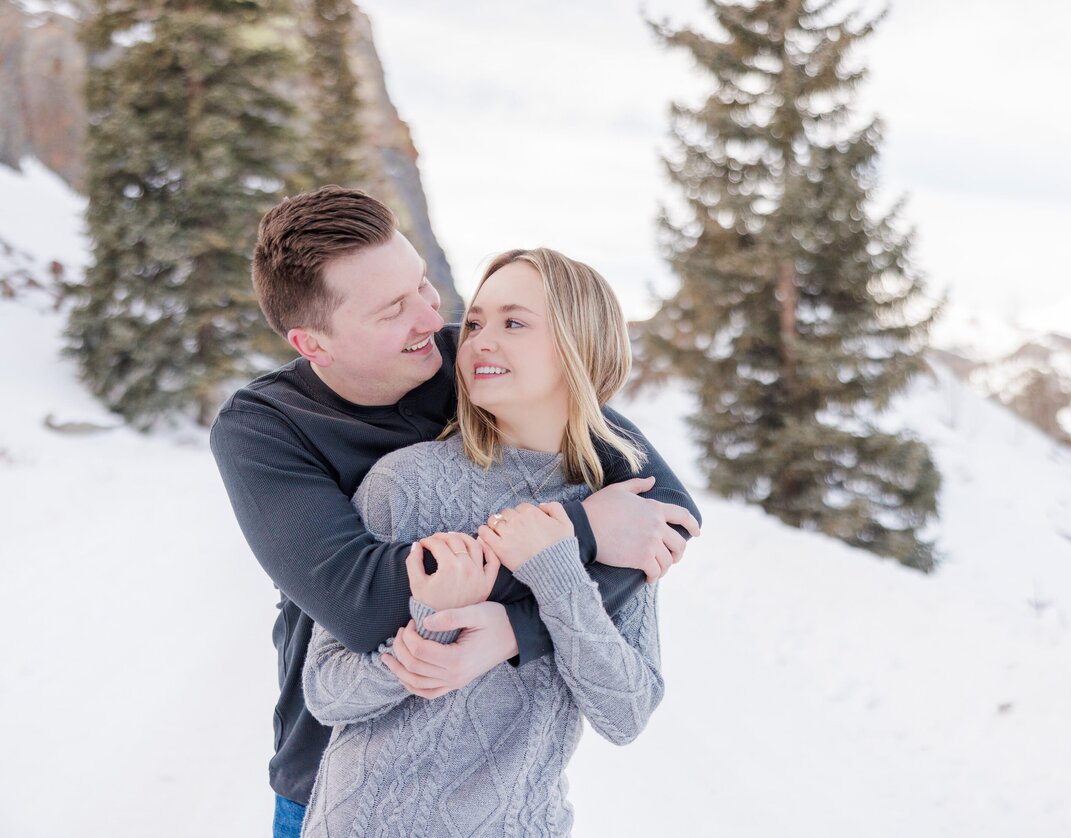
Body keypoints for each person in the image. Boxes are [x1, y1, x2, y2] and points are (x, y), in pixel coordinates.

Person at [208, 187, 701, 836]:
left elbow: (660, 512)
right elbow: (364, 604)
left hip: (501, 797)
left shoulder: (475, 366)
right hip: (333, 778)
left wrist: (519, 631)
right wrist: (579, 532)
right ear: (313, 344)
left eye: (422, 285)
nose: (430, 318)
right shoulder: (266, 429)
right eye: (393, 310)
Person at [301, 247, 669, 837]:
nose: (477, 342)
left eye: (514, 323)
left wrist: (558, 571)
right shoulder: (405, 481)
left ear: (582, 347)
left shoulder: (618, 511)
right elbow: (326, 691)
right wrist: (431, 626)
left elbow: (625, 714)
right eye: (474, 323)